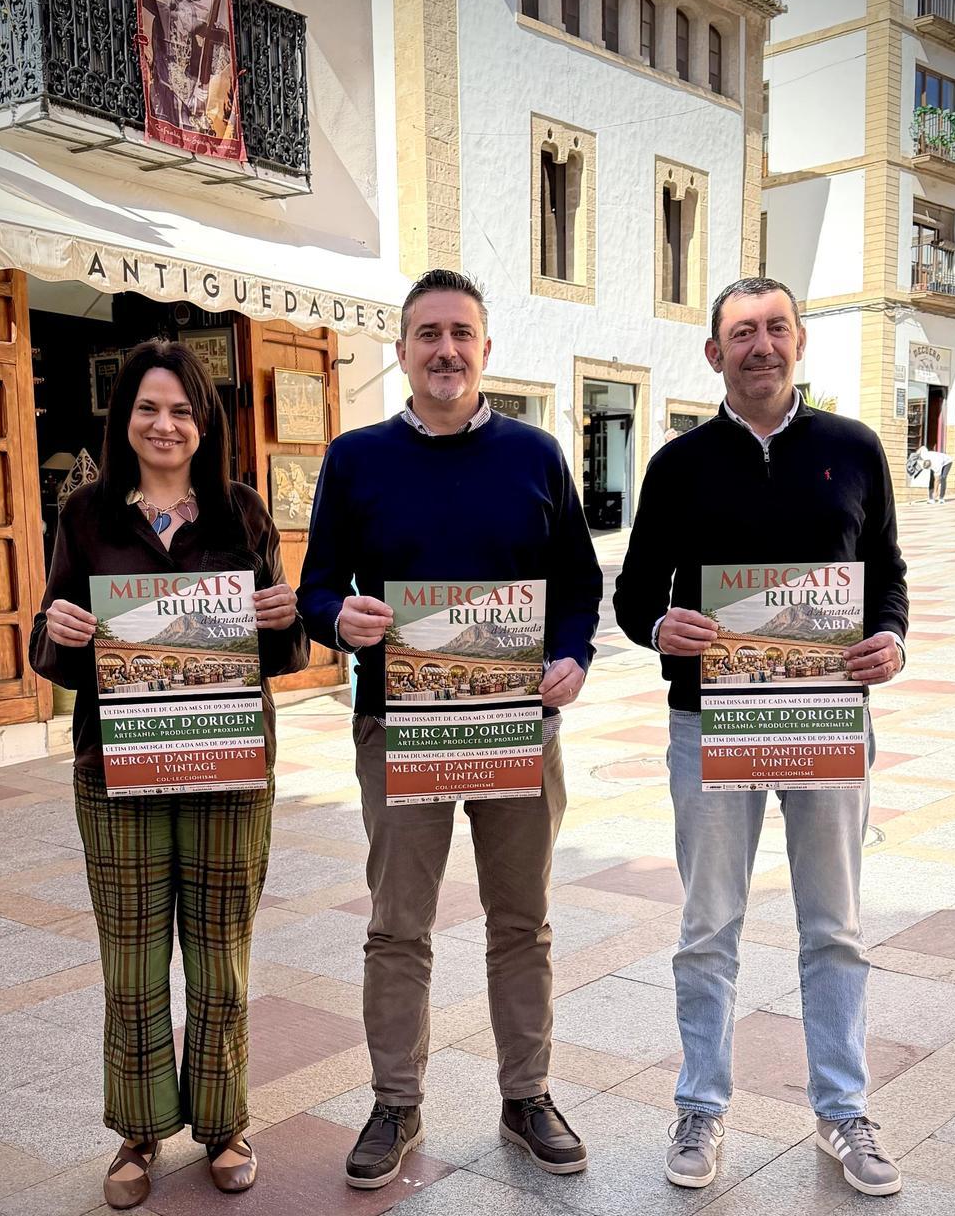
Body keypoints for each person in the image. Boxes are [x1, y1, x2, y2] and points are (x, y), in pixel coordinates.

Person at [297, 269, 602, 1190]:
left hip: (519, 728)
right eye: (427, 333)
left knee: (523, 923)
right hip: (401, 728)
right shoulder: (355, 460)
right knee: (398, 927)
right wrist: (336, 618)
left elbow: (579, 588)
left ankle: (526, 1094)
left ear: (487, 349)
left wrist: (574, 656)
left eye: (461, 333)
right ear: (400, 352)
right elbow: (316, 587)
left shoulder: (537, 455)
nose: (445, 350)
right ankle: (396, 1100)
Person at [613, 277, 909, 1199]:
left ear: (800, 343)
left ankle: (843, 1112)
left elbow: (887, 574)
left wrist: (890, 637)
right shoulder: (677, 464)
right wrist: (661, 628)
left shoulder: (855, 451)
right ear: (714, 355)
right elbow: (631, 595)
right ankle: (701, 1105)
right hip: (711, 726)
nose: (761, 345)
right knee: (708, 927)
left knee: (836, 928)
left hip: (825, 723)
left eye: (776, 327)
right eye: (741, 333)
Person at [30, 340, 309, 1210]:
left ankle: (225, 1123)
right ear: (124, 422)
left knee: (221, 958)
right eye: (148, 409)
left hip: (228, 763)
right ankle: (137, 1132)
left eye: (182, 409)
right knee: (134, 959)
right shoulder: (84, 516)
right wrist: (60, 634)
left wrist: (283, 615)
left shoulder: (241, 512)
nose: (164, 424)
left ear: (205, 422)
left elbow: (280, 651)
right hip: (116, 768)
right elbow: (54, 650)